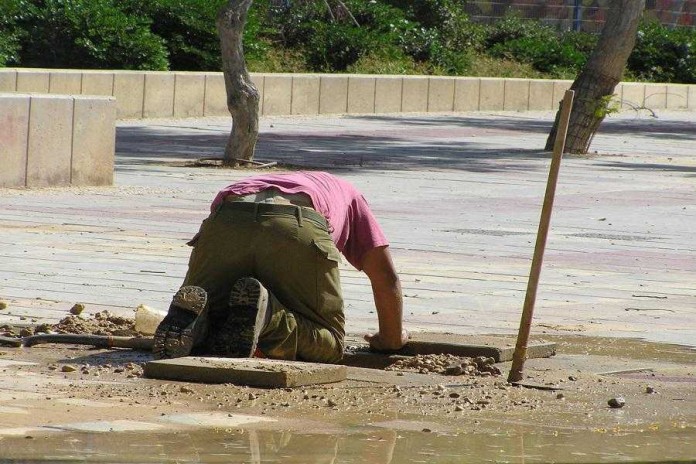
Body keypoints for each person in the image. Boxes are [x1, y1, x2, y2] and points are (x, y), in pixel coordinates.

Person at [153, 171, 408, 363]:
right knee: (330, 343)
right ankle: (268, 320)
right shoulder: (349, 194)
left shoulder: (262, 179)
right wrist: (391, 340)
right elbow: (386, 277)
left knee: (220, 308)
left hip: (228, 216)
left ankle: (197, 322)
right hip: (297, 222)